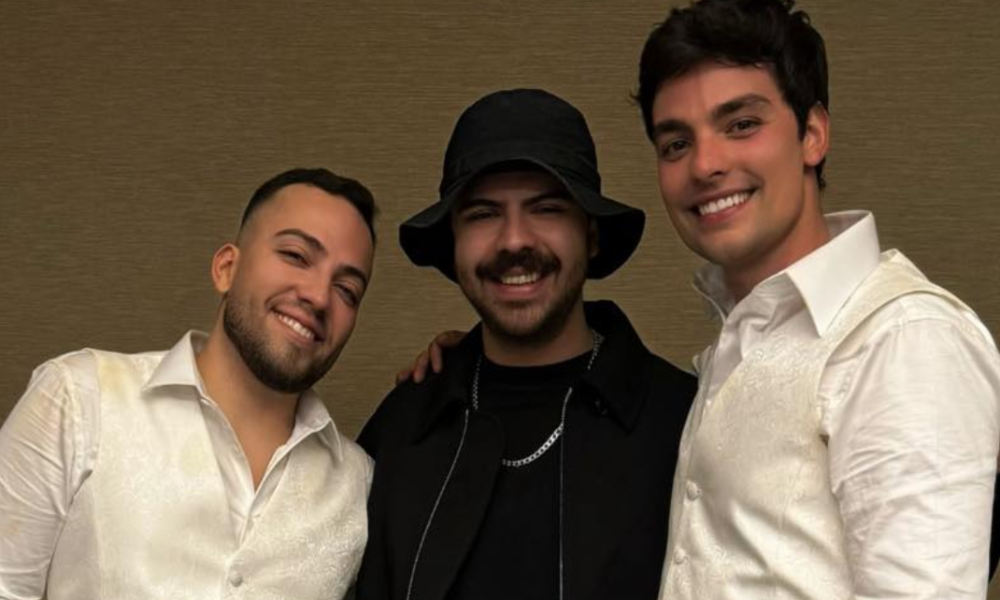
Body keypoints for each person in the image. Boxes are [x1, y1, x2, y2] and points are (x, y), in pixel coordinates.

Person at [632, 0, 1000, 597]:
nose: (705, 164)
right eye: (676, 143)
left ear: (812, 134)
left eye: (741, 124)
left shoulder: (903, 339)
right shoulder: (744, 336)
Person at [355, 89, 697, 600]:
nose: (515, 240)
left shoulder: (684, 422)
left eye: (546, 208)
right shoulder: (406, 425)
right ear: (453, 243)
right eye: (483, 214)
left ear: (591, 236)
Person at [0, 168, 377, 600]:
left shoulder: (358, 485)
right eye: (295, 255)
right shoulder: (78, 399)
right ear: (226, 268)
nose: (319, 296)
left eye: (347, 290)